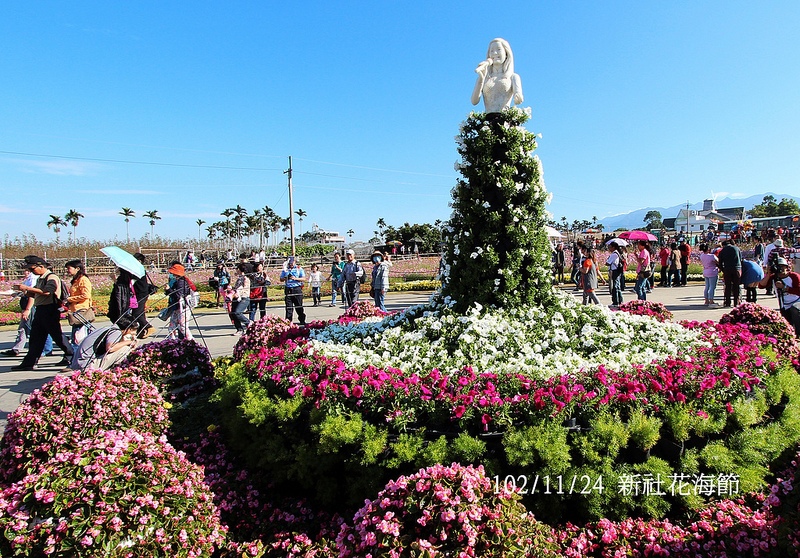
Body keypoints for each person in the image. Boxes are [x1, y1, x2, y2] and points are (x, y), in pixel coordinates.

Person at [11, 256, 74, 371]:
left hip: (49, 310)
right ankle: (29, 362)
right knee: (36, 337)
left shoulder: (51, 277)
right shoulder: (41, 278)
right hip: (41, 310)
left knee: (57, 336)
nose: (31, 271)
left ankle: (71, 355)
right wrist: (25, 291)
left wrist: (27, 287)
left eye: (32, 268)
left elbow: (47, 292)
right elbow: (37, 294)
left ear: (41, 266)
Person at [1, 268, 53, 358]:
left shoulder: (34, 279)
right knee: (23, 328)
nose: (25, 272)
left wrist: (28, 309)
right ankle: (16, 348)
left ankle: (46, 349)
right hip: (25, 305)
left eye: (28, 271)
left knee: (37, 328)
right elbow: (24, 293)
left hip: (31, 306)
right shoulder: (28, 279)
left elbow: (31, 296)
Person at [68, 314, 139, 373]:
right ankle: (117, 371)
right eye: (134, 331)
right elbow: (110, 348)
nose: (135, 333)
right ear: (129, 329)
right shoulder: (116, 331)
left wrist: (123, 341)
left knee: (122, 347)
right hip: (86, 365)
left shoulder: (109, 328)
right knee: (125, 349)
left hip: (79, 363)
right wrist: (129, 342)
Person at [471, 38, 523, 113]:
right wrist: (481, 80)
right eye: (491, 51)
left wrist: (518, 96)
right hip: (488, 120)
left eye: (498, 49)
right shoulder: (484, 78)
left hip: (505, 120)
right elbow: (474, 101)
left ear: (506, 53)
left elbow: (518, 96)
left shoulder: (513, 77)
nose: (495, 53)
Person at [759, 257, 800, 337]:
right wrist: (768, 274)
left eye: (782, 267)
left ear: (787, 267)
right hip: (784, 305)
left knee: (794, 309)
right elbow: (761, 286)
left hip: (797, 302)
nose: (780, 269)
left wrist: (785, 288)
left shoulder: (794, 276)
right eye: (777, 267)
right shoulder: (774, 278)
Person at [64, 259, 93, 348]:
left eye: (69, 268)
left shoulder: (83, 280)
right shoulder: (76, 280)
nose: (68, 271)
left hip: (81, 311)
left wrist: (69, 299)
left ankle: (78, 357)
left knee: (78, 337)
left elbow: (86, 295)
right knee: (76, 336)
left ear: (77, 268)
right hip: (75, 311)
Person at [164, 263, 194, 340]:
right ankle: (172, 342)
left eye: (172, 273)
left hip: (182, 308)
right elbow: (172, 294)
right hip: (176, 307)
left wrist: (169, 290)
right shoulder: (176, 281)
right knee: (172, 326)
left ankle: (191, 342)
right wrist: (167, 290)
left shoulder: (181, 282)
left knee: (183, 327)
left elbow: (178, 295)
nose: (171, 274)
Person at [131, 253, 155, 339]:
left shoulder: (139, 269)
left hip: (141, 293)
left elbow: (133, 278)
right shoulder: (137, 268)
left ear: (139, 261)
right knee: (139, 312)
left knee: (136, 313)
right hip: (139, 293)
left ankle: (148, 327)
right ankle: (142, 331)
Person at [280, 256, 307, 325]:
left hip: (296, 288)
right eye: (290, 263)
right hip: (288, 289)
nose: (291, 264)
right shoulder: (285, 269)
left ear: (295, 262)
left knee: (299, 306)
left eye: (292, 262)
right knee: (289, 307)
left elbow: (304, 278)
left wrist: (295, 278)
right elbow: (281, 279)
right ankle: (288, 322)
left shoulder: (299, 269)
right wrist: (286, 278)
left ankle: (302, 320)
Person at [718, 239, 742, 307]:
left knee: (727, 286)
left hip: (727, 269)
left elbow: (720, 263)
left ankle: (727, 302)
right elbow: (740, 259)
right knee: (736, 286)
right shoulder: (737, 248)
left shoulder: (723, 250)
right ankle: (736, 302)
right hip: (736, 268)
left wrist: (723, 270)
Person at [229, 263, 251, 334]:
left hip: (244, 298)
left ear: (239, 269)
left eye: (237, 269)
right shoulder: (239, 278)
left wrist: (238, 293)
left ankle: (248, 323)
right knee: (233, 313)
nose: (236, 270)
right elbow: (237, 288)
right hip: (236, 298)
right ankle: (239, 329)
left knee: (237, 312)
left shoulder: (245, 278)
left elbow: (245, 289)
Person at [606, 242, 624, 308]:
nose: (609, 248)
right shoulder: (617, 253)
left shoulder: (614, 254)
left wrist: (608, 260)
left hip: (614, 271)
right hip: (617, 271)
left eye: (610, 247)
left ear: (613, 247)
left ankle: (616, 301)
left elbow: (607, 263)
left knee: (615, 287)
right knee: (617, 286)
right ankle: (620, 300)